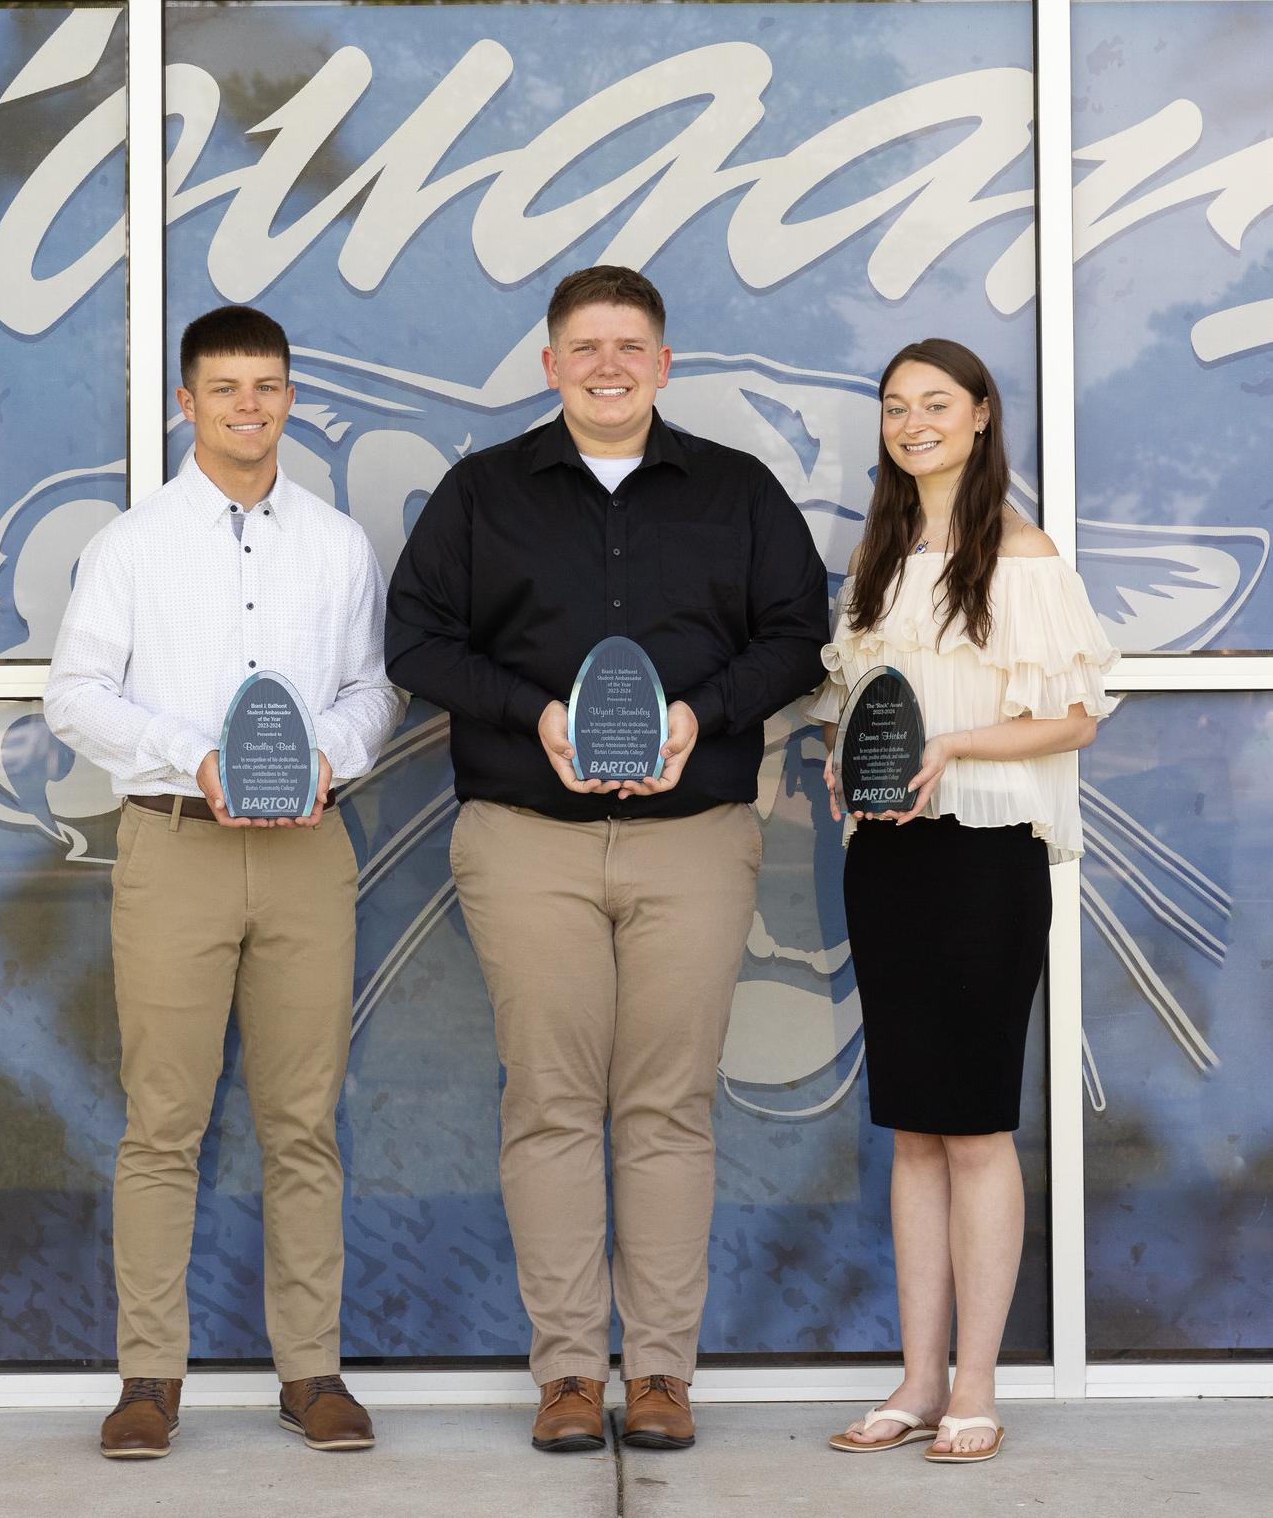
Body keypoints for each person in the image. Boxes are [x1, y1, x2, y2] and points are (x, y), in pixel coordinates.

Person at [385, 265, 829, 1453]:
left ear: (664, 361)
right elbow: (413, 638)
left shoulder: (736, 491)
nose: (607, 363)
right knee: (550, 1105)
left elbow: (799, 634)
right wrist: (534, 711)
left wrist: (703, 712)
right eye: (583, 346)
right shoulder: (483, 493)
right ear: (549, 364)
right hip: (527, 842)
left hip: (695, 841)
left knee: (669, 1108)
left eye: (629, 344)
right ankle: (571, 1372)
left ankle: (665, 1374)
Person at [44, 305, 401, 1461]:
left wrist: (325, 756)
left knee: (303, 1124)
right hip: (175, 842)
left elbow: (372, 691)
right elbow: (76, 692)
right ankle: (148, 1377)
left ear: (292, 398)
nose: (251, 405)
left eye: (270, 385)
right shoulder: (132, 544)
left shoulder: (338, 544)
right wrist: (188, 753)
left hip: (307, 850)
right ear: (184, 405)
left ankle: (313, 1372)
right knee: (164, 1124)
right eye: (227, 387)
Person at [812, 339, 1116, 1464]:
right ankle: (915, 1377)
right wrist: (856, 760)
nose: (913, 420)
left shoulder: (1020, 552)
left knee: (977, 1126)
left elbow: (1075, 714)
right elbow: (862, 699)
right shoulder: (878, 554)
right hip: (885, 860)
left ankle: (976, 1382)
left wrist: (953, 744)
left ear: (982, 416)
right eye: (896, 405)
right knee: (912, 1133)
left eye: (935, 403)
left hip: (985, 855)